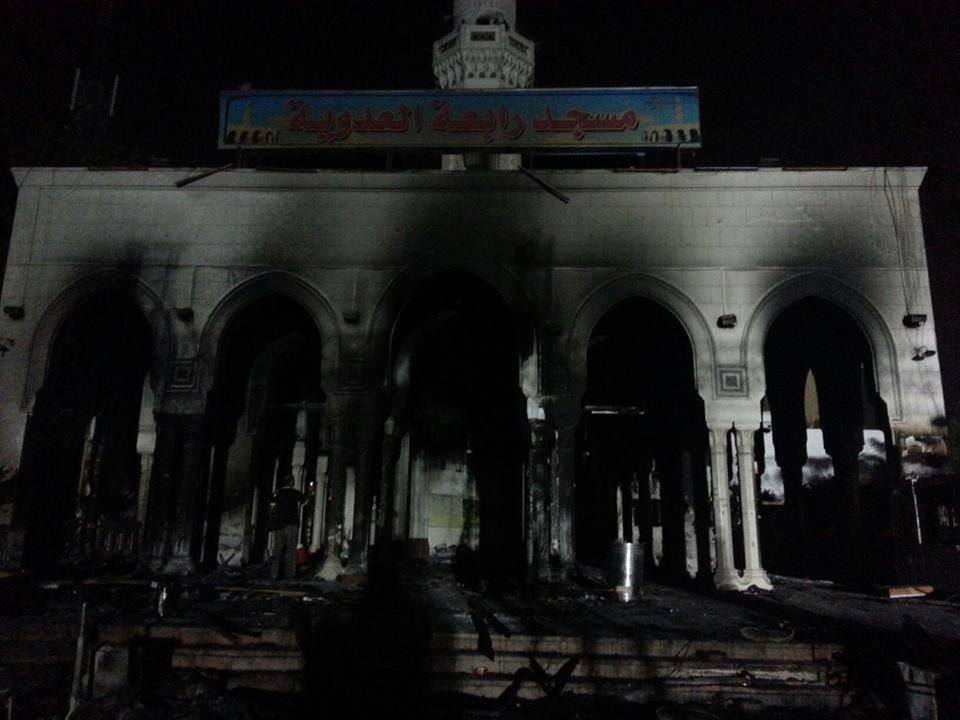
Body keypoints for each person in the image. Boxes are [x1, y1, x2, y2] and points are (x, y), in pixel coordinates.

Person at [269, 474, 303, 580]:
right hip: (291, 525)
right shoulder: (295, 493)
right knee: (291, 551)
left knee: (277, 550)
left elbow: (271, 508)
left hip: (279, 525)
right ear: (291, 482)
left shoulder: (277, 493)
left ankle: (274, 574)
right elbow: (305, 502)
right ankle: (290, 574)